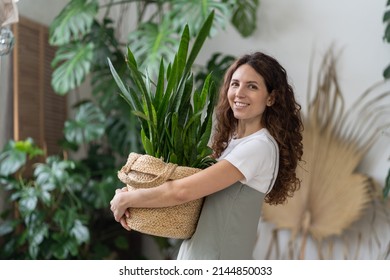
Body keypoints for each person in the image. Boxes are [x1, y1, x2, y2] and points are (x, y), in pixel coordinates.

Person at [110, 51, 304, 260]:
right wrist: (131, 192)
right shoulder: (235, 143)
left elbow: (183, 191)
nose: (239, 93)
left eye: (252, 86)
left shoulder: (258, 147)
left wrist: (129, 199)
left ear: (271, 98)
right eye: (235, 83)